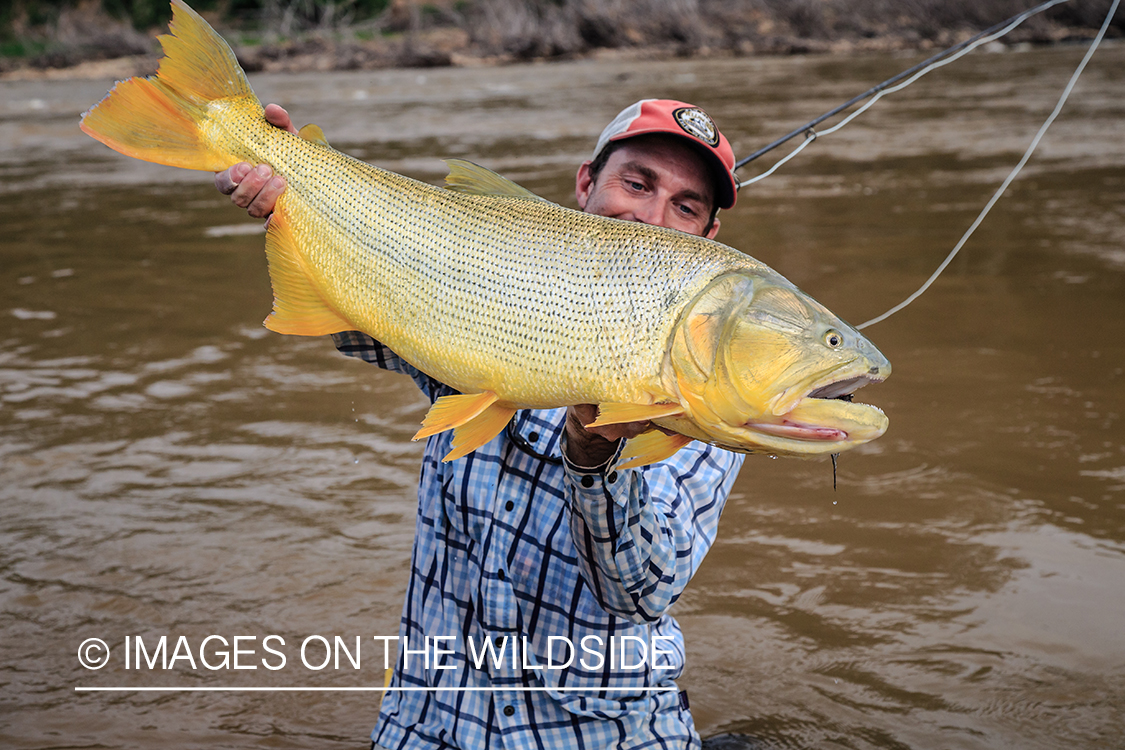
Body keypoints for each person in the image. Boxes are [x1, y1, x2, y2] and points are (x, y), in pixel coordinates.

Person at [216, 99, 746, 749]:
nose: (650, 218)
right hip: (427, 728)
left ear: (706, 241)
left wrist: (592, 457)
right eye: (635, 184)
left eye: (685, 207)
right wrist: (296, 188)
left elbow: (637, 592)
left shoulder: (703, 386)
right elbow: (358, 332)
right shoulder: (483, 284)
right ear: (585, 184)